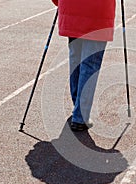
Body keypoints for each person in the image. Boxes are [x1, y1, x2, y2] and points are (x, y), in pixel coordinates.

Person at [51, 0, 116, 131]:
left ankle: (78, 108)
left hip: (71, 9)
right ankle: (80, 116)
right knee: (90, 64)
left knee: (76, 59)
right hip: (98, 13)